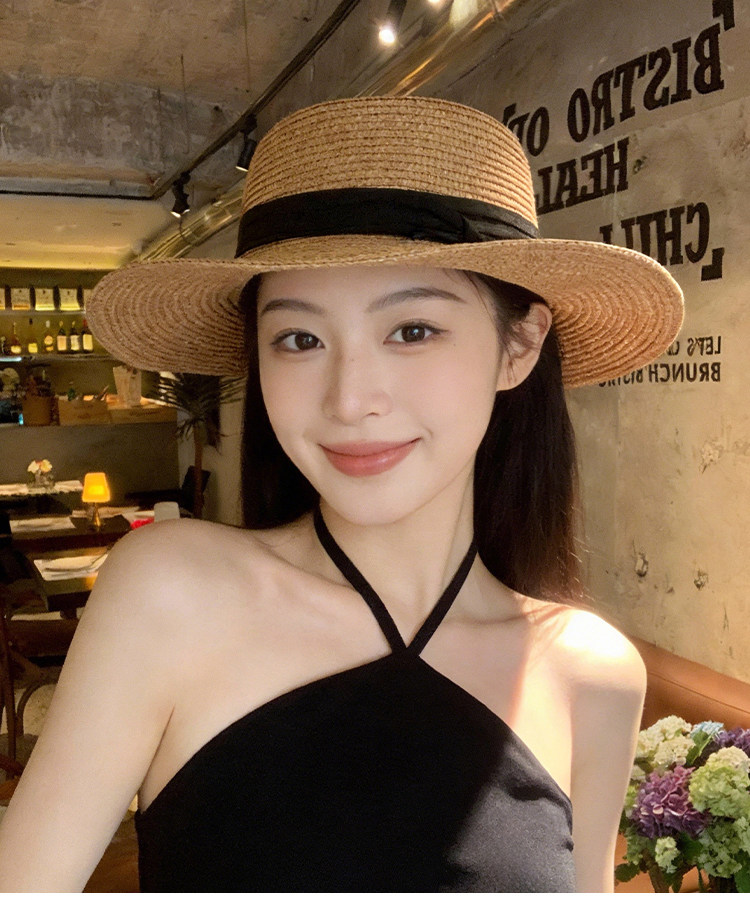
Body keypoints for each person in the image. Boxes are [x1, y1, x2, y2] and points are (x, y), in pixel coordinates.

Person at [0, 96, 683, 891]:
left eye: (412, 330)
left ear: (519, 345)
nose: (350, 399)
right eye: (300, 339)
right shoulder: (173, 592)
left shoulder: (593, 675)